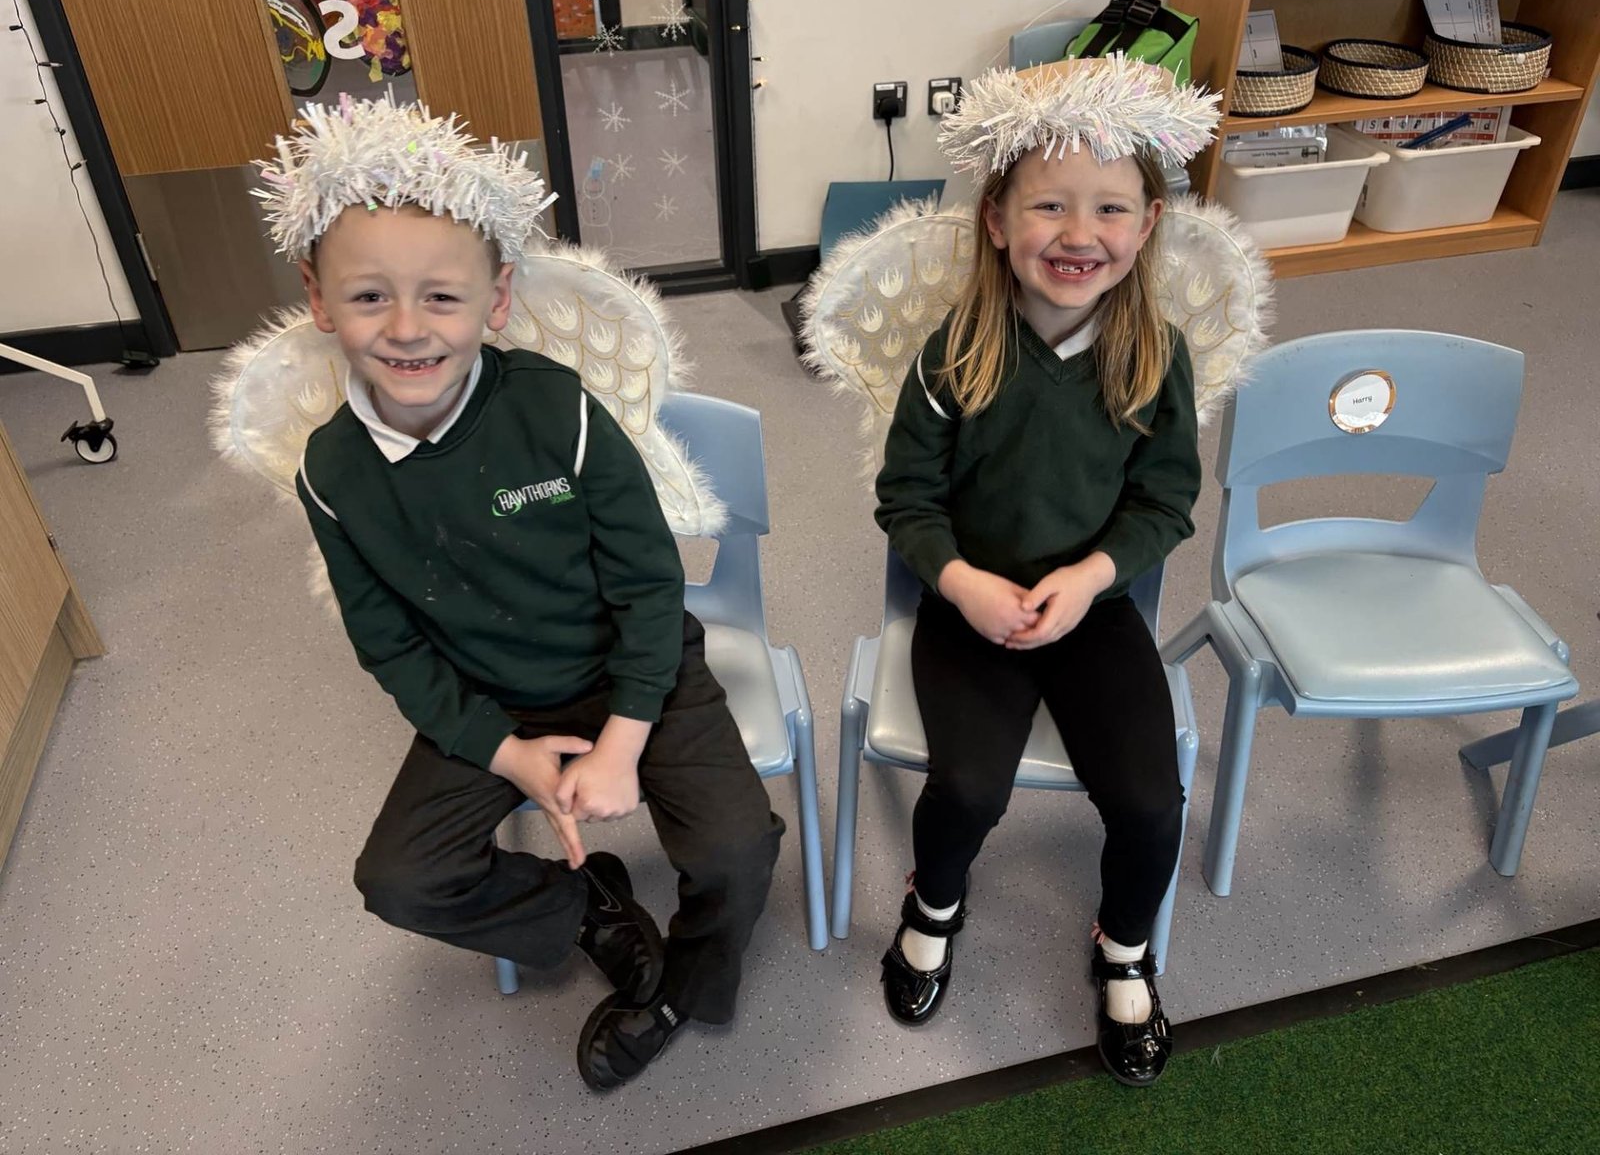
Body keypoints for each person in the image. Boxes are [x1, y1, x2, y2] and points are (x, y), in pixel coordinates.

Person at [256, 96, 783, 1091]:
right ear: (319, 300)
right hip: (491, 697)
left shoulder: (556, 410)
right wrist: (507, 754)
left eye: (441, 297)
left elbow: (648, 583)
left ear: (495, 299)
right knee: (400, 879)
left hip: (635, 669)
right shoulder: (331, 471)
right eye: (368, 296)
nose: (406, 329)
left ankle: (680, 989)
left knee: (737, 848)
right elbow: (391, 646)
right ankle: (588, 909)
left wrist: (622, 739)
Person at [873, 56, 1220, 1087]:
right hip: (969, 605)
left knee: (1151, 803)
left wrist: (1091, 578)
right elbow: (906, 499)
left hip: (1092, 608)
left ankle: (1125, 948)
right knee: (967, 787)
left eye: (1109, 208)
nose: (1079, 233)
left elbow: (1164, 502)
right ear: (996, 220)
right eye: (1049, 206)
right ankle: (933, 905)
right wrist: (962, 584)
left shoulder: (1156, 353)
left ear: (1147, 224)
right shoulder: (955, 352)